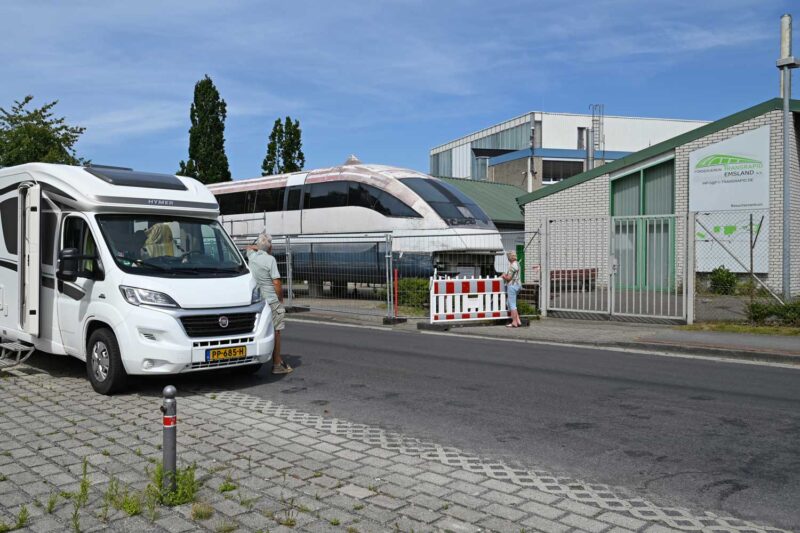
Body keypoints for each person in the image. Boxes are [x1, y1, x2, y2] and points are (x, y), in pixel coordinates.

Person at [245, 233, 292, 374]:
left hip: (258, 300)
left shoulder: (251, 257)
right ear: (270, 247)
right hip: (271, 300)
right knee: (276, 331)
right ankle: (277, 363)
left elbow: (248, 247)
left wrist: (259, 247)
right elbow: (276, 282)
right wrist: (281, 299)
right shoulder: (270, 260)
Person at [502, 250, 522, 328]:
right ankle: (518, 321)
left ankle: (514, 322)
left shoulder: (512, 266)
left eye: (508, 257)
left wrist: (503, 276)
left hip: (512, 286)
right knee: (512, 303)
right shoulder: (517, 264)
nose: (507, 259)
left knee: (512, 305)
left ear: (510, 258)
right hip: (518, 285)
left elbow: (509, 278)